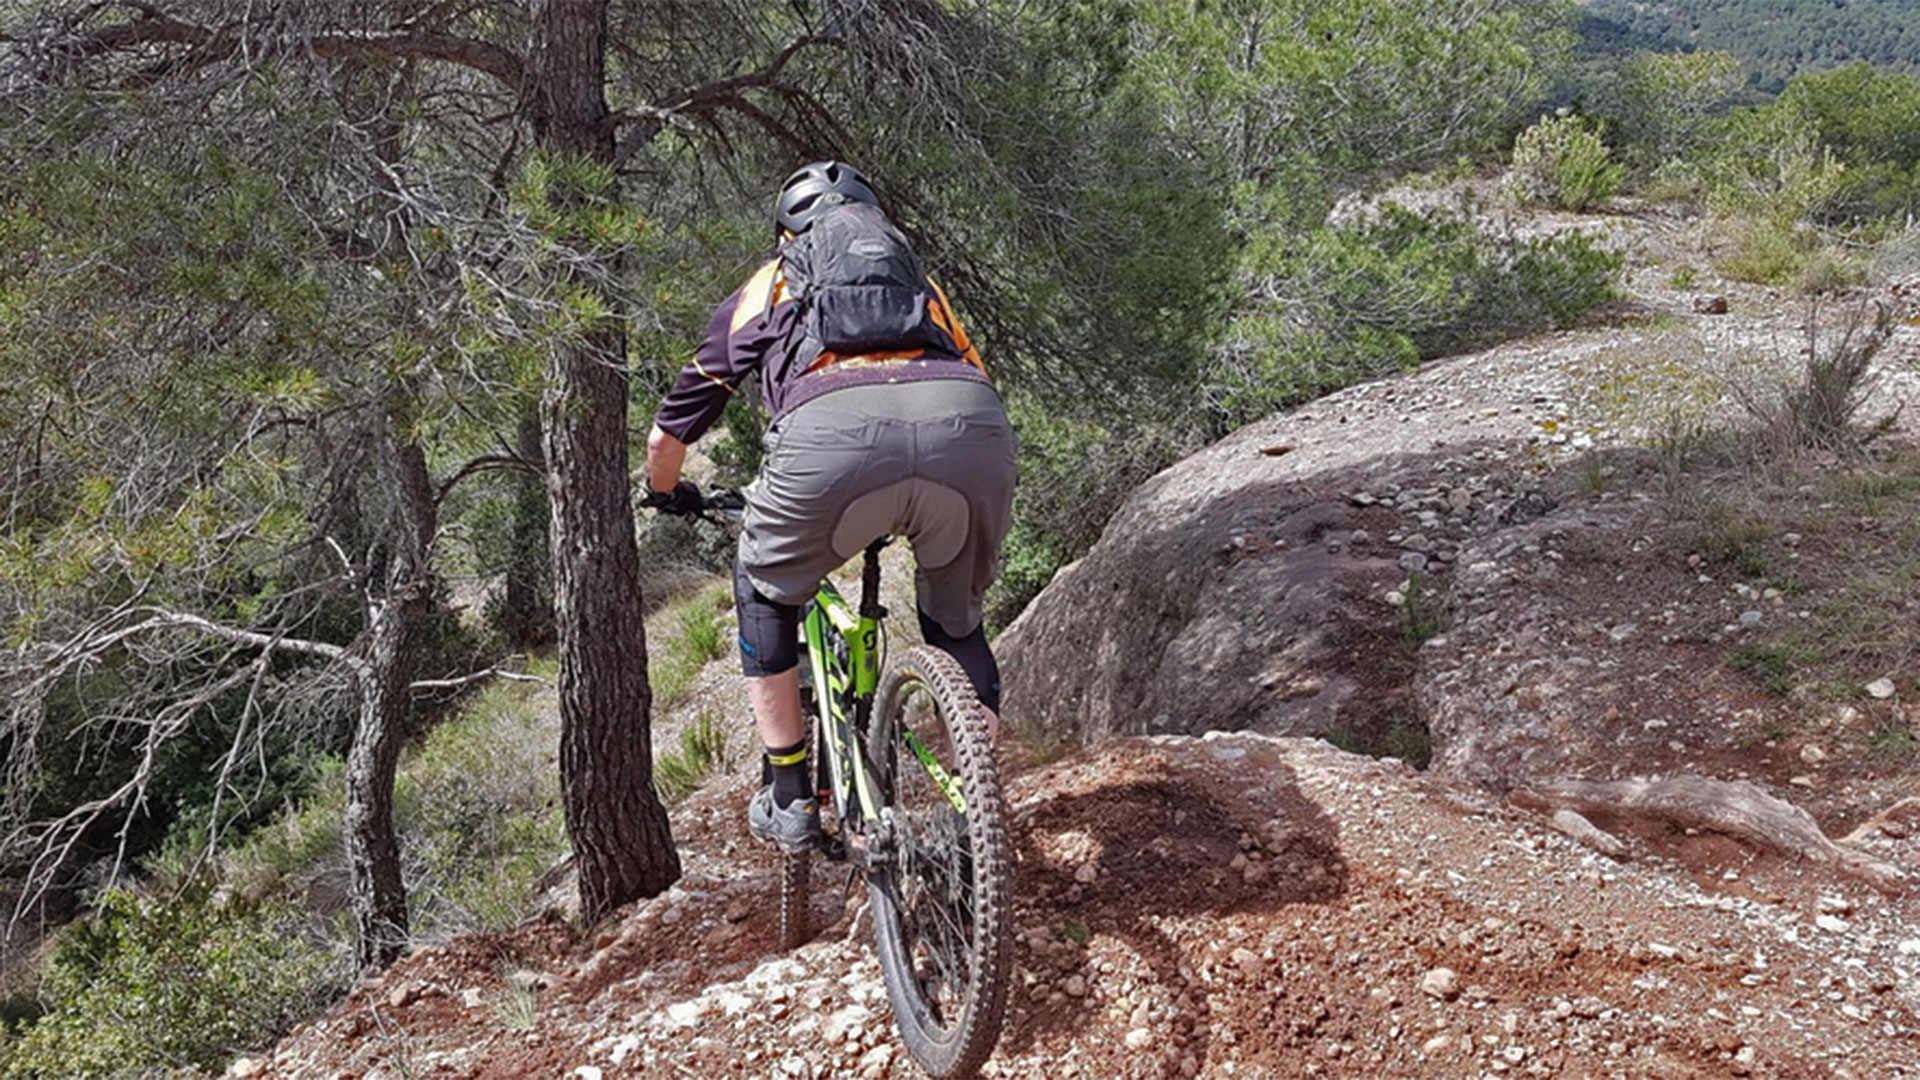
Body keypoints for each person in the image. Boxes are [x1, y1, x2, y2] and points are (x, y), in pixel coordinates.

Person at [642, 161, 1017, 853]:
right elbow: (974, 374)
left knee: (762, 585)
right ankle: (979, 814)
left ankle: (788, 794)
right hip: (969, 427)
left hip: (830, 441)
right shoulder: (922, 286)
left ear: (787, 235)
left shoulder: (771, 282)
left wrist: (665, 492)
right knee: (956, 623)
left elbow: (669, 435)